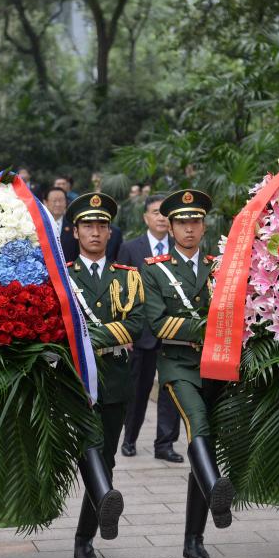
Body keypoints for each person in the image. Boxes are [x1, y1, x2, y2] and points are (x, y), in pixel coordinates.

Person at [141, 189, 233, 558]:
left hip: (219, 367)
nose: (189, 228)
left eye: (195, 221)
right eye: (182, 222)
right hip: (179, 366)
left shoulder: (222, 265)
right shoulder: (154, 268)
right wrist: (212, 327)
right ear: (172, 227)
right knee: (197, 426)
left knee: (206, 447)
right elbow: (159, 323)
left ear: (204, 225)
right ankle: (215, 489)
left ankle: (193, 539)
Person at [64, 192, 141, 558]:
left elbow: (137, 323)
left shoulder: (126, 278)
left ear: (110, 232)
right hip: (76, 382)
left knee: (106, 457)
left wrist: (91, 338)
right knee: (89, 446)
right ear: (75, 231)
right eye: (88, 226)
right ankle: (89, 530)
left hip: (115, 379)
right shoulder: (63, 277)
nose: (95, 232)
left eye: (101, 225)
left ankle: (86, 534)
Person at [116, 194, 182, 461]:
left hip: (173, 333)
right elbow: (120, 290)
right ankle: (129, 438)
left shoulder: (180, 248)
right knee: (137, 390)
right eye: (156, 212)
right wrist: (124, 329)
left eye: (165, 213)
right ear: (145, 217)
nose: (161, 217)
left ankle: (165, 444)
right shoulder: (131, 248)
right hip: (140, 334)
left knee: (171, 390)